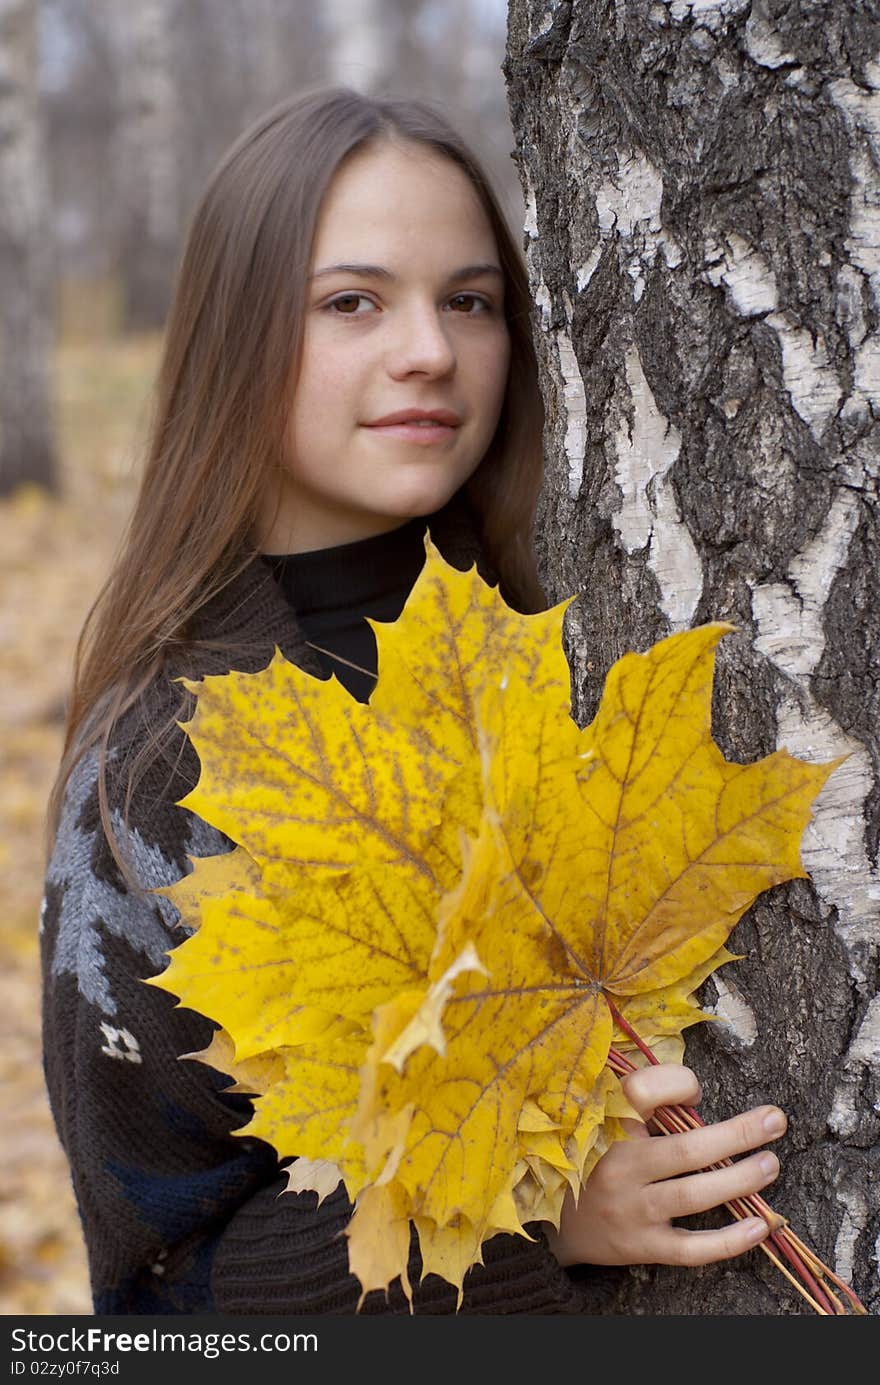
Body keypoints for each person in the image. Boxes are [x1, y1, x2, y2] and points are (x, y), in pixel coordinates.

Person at [40, 85, 787, 1316]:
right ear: (235, 337)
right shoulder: (164, 762)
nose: (430, 350)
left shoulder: (589, 634)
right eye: (352, 301)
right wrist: (534, 1215)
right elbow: (159, 1298)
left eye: (471, 300)